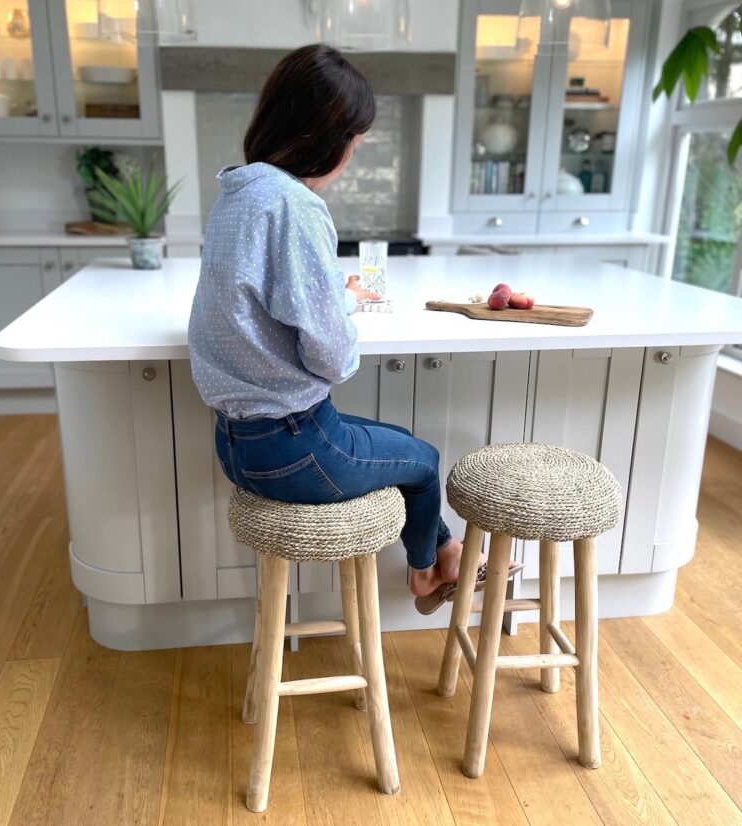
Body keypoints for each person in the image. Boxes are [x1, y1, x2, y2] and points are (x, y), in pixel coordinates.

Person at [189, 43, 516, 610]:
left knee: (398, 445)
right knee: (423, 461)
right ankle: (426, 572)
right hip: (294, 447)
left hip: (235, 441)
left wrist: (326, 296)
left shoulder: (237, 193)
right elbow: (334, 359)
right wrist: (340, 308)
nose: (351, 158)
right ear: (327, 137)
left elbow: (259, 302)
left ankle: (444, 552)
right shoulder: (294, 206)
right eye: (354, 143)